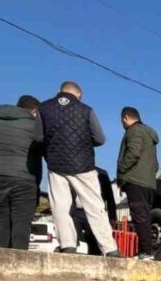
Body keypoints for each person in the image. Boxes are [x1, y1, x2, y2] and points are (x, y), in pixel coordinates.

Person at [38, 80, 120, 257]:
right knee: (95, 206)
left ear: (60, 91)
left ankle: (67, 245)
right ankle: (109, 248)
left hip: (56, 164)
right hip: (83, 164)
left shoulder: (43, 108)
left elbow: (38, 137)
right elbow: (100, 138)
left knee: (60, 207)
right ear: (79, 95)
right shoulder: (86, 110)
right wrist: (83, 143)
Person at [0, 95, 42, 250]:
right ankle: (18, 260)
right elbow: (39, 154)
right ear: (34, 111)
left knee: (2, 219)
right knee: (22, 221)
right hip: (24, 178)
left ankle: (0, 258)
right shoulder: (33, 125)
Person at [116, 106, 159, 260]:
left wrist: (121, 171)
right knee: (144, 217)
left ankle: (146, 252)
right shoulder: (149, 135)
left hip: (135, 180)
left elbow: (133, 153)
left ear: (126, 118)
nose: (122, 124)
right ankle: (145, 251)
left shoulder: (134, 131)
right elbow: (155, 165)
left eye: (122, 120)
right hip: (148, 182)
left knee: (139, 217)